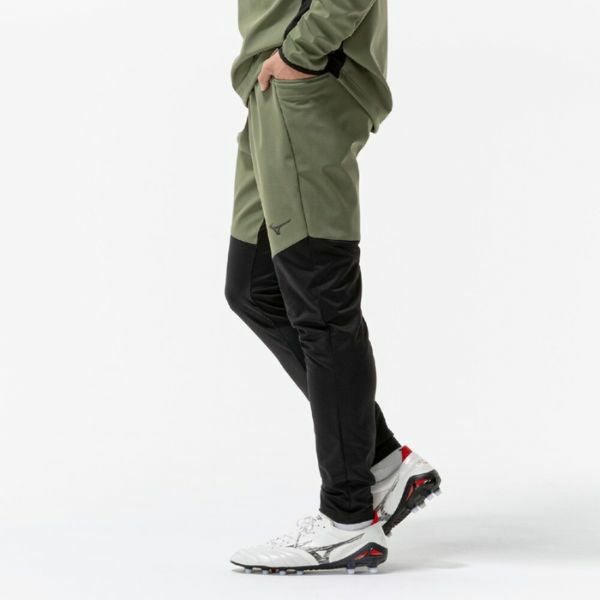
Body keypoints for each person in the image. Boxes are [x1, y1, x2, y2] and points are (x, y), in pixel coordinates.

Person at [224, 0, 441, 574]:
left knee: (322, 308)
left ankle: (348, 520)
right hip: (268, 93)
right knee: (253, 288)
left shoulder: (302, 67)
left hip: (305, 88)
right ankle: (383, 462)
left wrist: (299, 55)